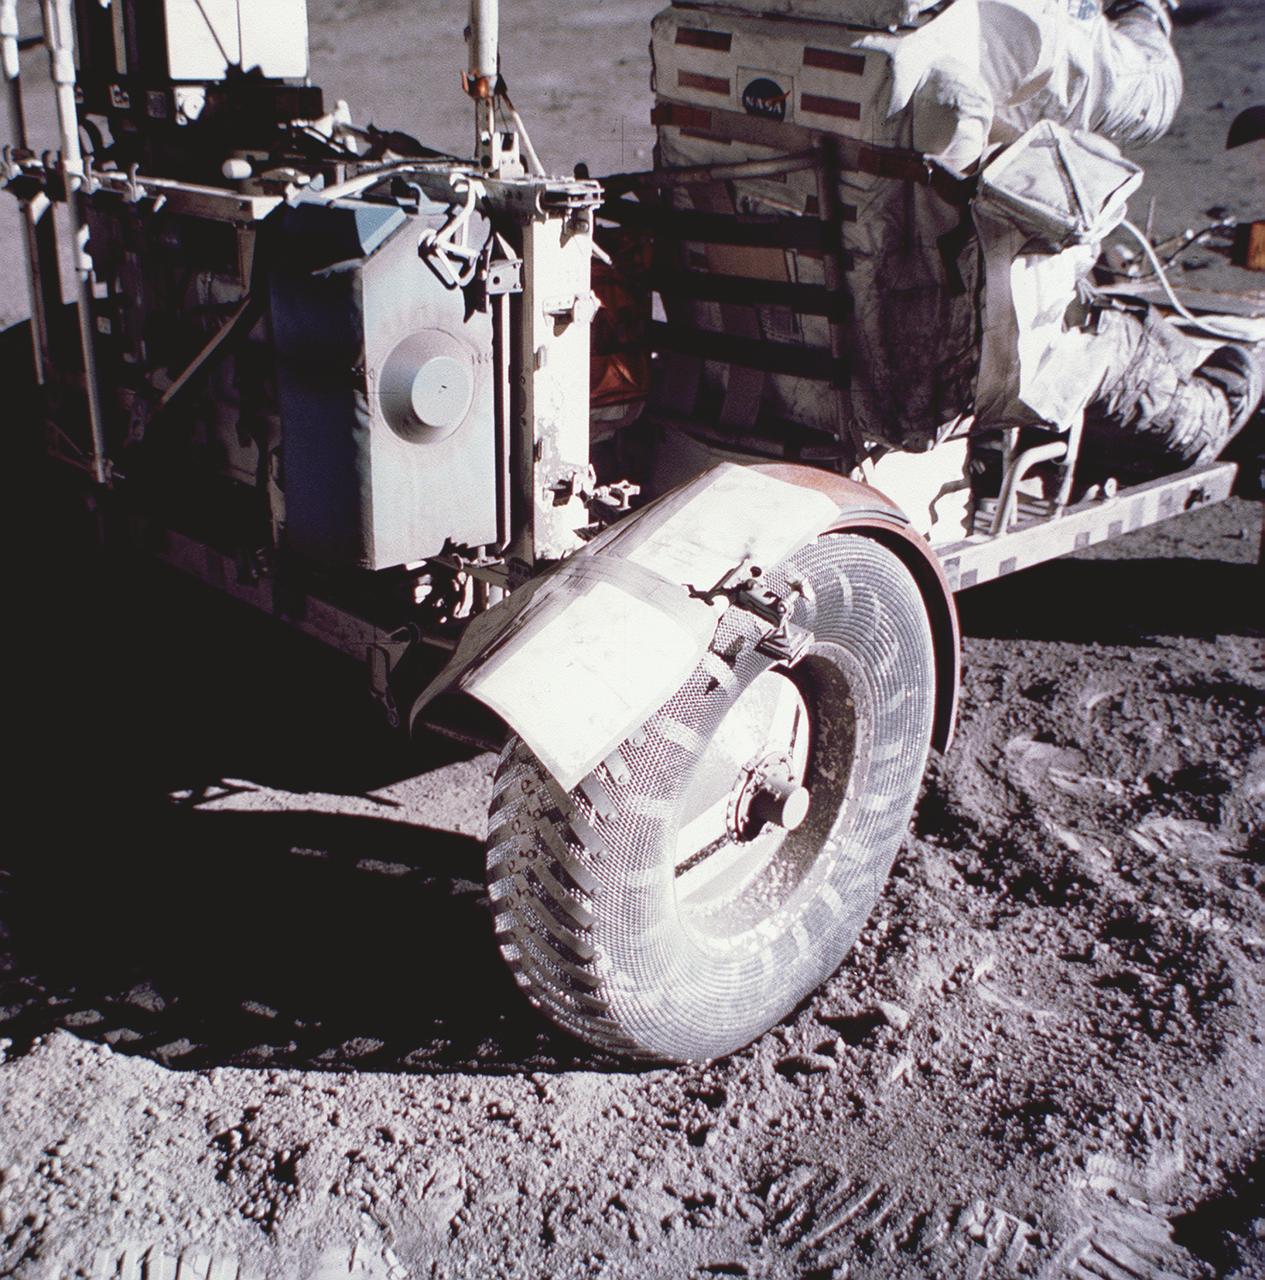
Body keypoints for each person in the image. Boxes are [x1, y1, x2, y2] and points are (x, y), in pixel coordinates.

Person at [972, 0, 1262, 477]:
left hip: (909, 325)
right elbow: (1145, 94)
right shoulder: (1020, 31)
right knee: (1213, 407)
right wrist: (1145, 12)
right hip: (1034, 348)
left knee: (1149, 330)